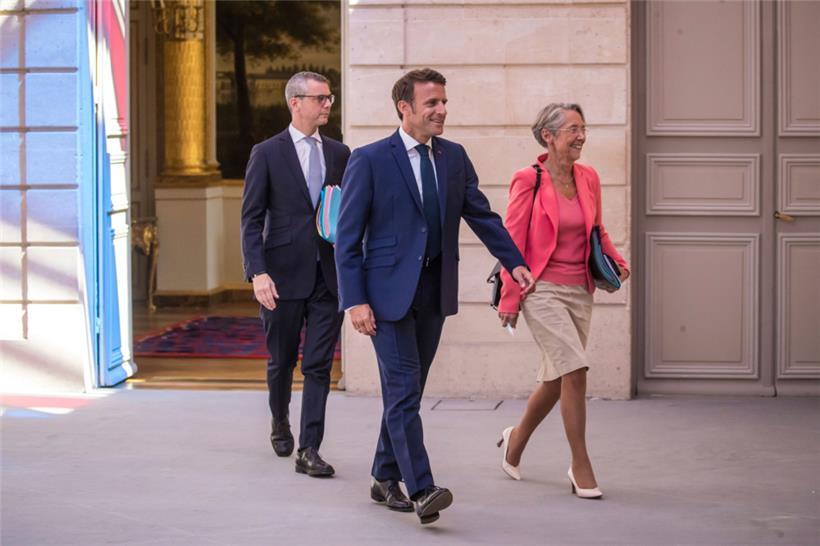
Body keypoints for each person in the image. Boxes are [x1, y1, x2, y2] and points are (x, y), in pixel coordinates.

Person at [335, 68, 536, 524]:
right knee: (405, 389)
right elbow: (347, 240)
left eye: (444, 101)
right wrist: (354, 300)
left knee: (409, 390)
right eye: (431, 103)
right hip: (384, 295)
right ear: (404, 108)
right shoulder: (369, 159)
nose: (442, 110)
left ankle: (383, 476)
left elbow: (480, 215)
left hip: (434, 290)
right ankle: (422, 488)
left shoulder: (453, 157)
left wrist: (513, 259)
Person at [496, 103, 630, 499]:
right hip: (541, 289)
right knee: (576, 370)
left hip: (579, 290)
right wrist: (510, 297)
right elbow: (511, 242)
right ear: (548, 136)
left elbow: (596, 230)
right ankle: (580, 463)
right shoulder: (528, 179)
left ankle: (515, 441)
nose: (581, 136)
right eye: (573, 129)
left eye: (583, 128)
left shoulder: (588, 177)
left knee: (556, 380)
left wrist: (617, 262)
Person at [240, 72, 350, 477]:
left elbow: (349, 215)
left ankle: (310, 449)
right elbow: (251, 220)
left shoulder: (341, 154)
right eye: (320, 98)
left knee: (319, 365)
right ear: (295, 102)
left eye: (329, 98)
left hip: (328, 276)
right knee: (282, 360)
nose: (327, 105)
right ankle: (279, 422)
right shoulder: (266, 153)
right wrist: (258, 272)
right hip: (281, 275)